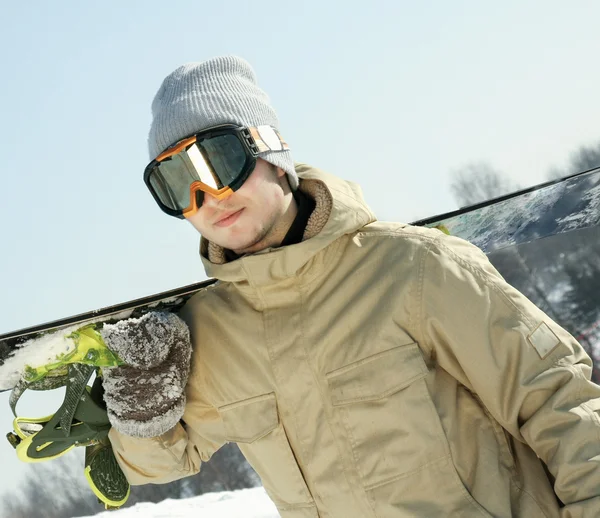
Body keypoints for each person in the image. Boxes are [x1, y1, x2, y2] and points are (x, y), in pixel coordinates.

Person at [100, 56, 600, 517]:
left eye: (217, 162)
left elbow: (560, 402)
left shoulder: (415, 268)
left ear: (270, 151)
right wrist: (143, 415)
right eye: (175, 182)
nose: (207, 196)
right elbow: (156, 467)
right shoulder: (210, 333)